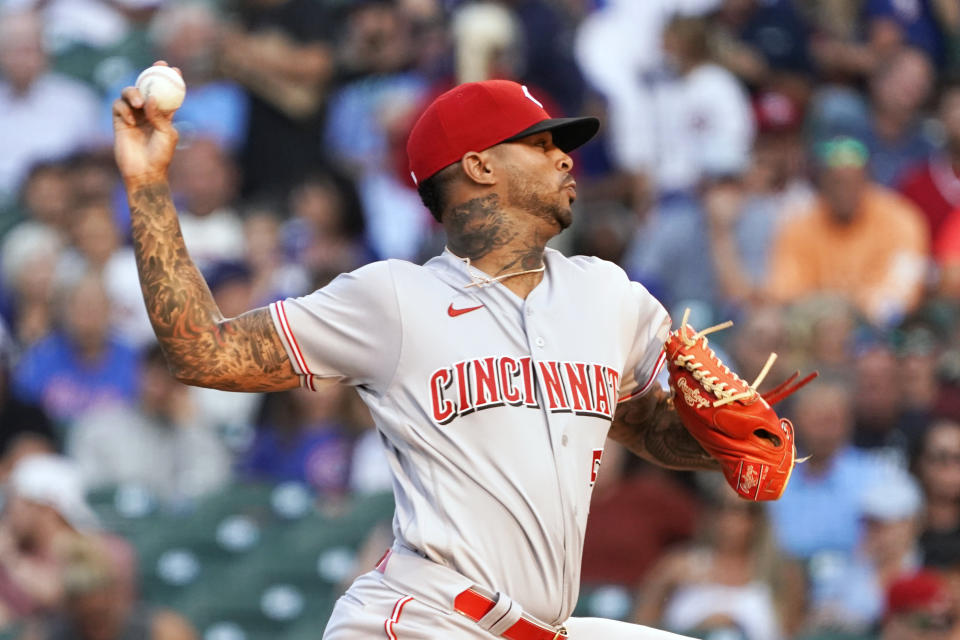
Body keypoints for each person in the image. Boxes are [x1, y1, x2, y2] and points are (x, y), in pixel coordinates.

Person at [113, 65, 718, 638]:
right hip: (423, 619)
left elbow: (645, 425)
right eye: (538, 144)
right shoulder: (397, 298)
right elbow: (202, 351)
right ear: (480, 167)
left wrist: (732, 448)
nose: (564, 156)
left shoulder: (607, 294)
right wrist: (146, 185)